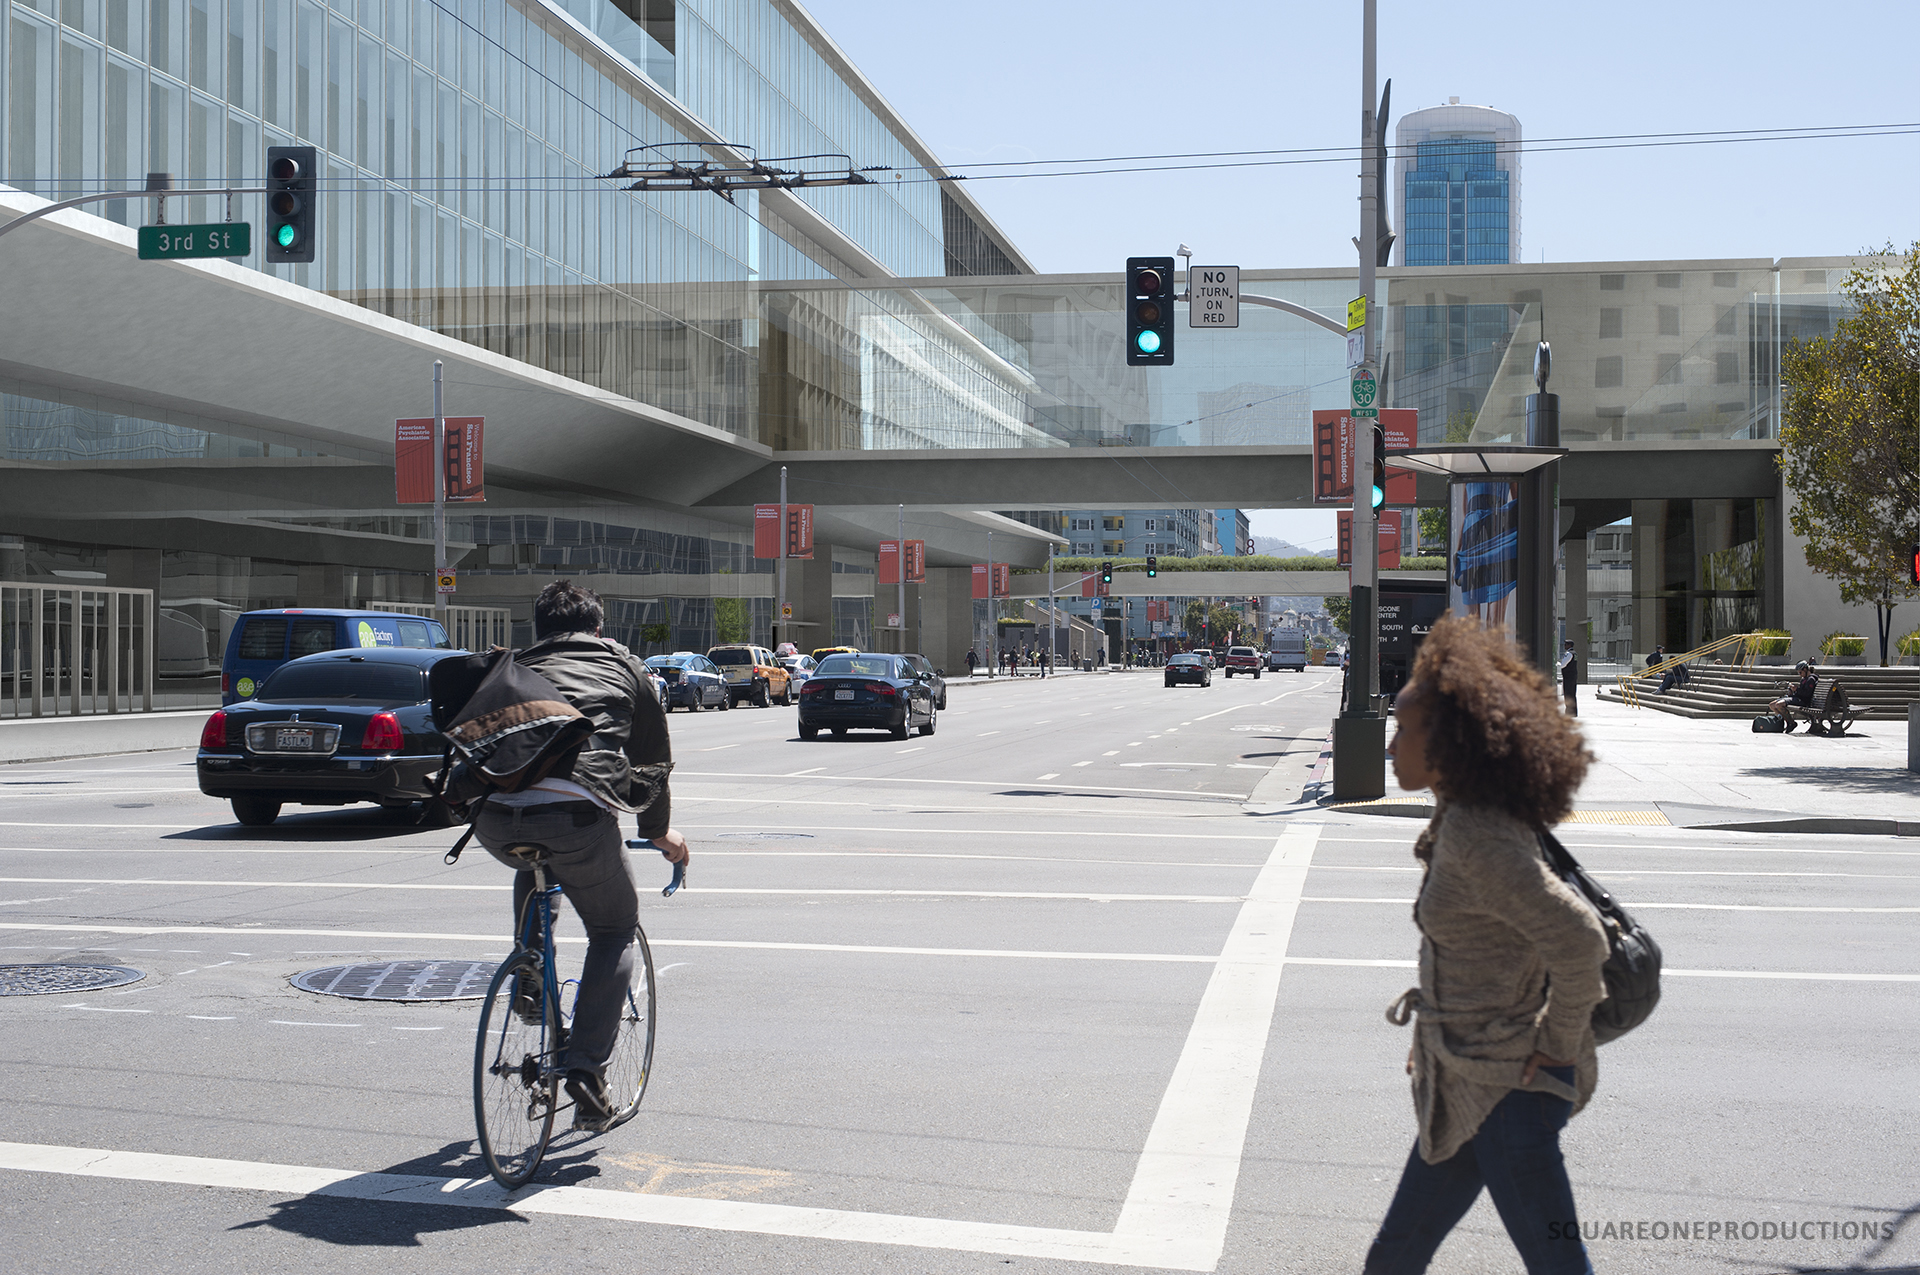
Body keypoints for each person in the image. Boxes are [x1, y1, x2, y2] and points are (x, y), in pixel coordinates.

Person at [1366, 617, 1608, 1275]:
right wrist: (1431, 1044)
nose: (1392, 748)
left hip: (1507, 1096)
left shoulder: (1477, 832)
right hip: (1468, 1080)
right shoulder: (1462, 814)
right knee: (1394, 1259)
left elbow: (1580, 940)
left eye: (1403, 731)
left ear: (1446, 744)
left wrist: (1556, 1044)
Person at [472, 580, 690, 1128]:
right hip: (577, 816)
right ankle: (587, 1072)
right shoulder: (623, 665)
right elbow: (652, 764)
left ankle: (531, 968)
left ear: (538, 628)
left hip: (494, 817)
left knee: (533, 858)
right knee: (615, 929)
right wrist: (662, 834)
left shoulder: (512, 666)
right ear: (598, 628)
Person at [1771, 660, 1820, 733]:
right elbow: (1801, 692)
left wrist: (1796, 689)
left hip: (1803, 701)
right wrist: (1793, 691)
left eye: (1800, 672)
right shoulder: (1804, 679)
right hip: (1798, 698)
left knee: (1778, 705)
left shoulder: (1811, 679)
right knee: (1772, 705)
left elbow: (1807, 694)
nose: (1799, 674)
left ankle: (1791, 723)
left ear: (1805, 669)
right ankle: (1788, 721)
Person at [1559, 640, 1579, 716]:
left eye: (1566, 644)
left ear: (1569, 645)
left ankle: (1569, 711)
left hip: (1568, 677)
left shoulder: (1569, 653)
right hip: (1573, 676)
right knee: (1572, 694)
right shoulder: (1575, 653)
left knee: (1568, 694)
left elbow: (1563, 664)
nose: (1564, 646)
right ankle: (1573, 712)